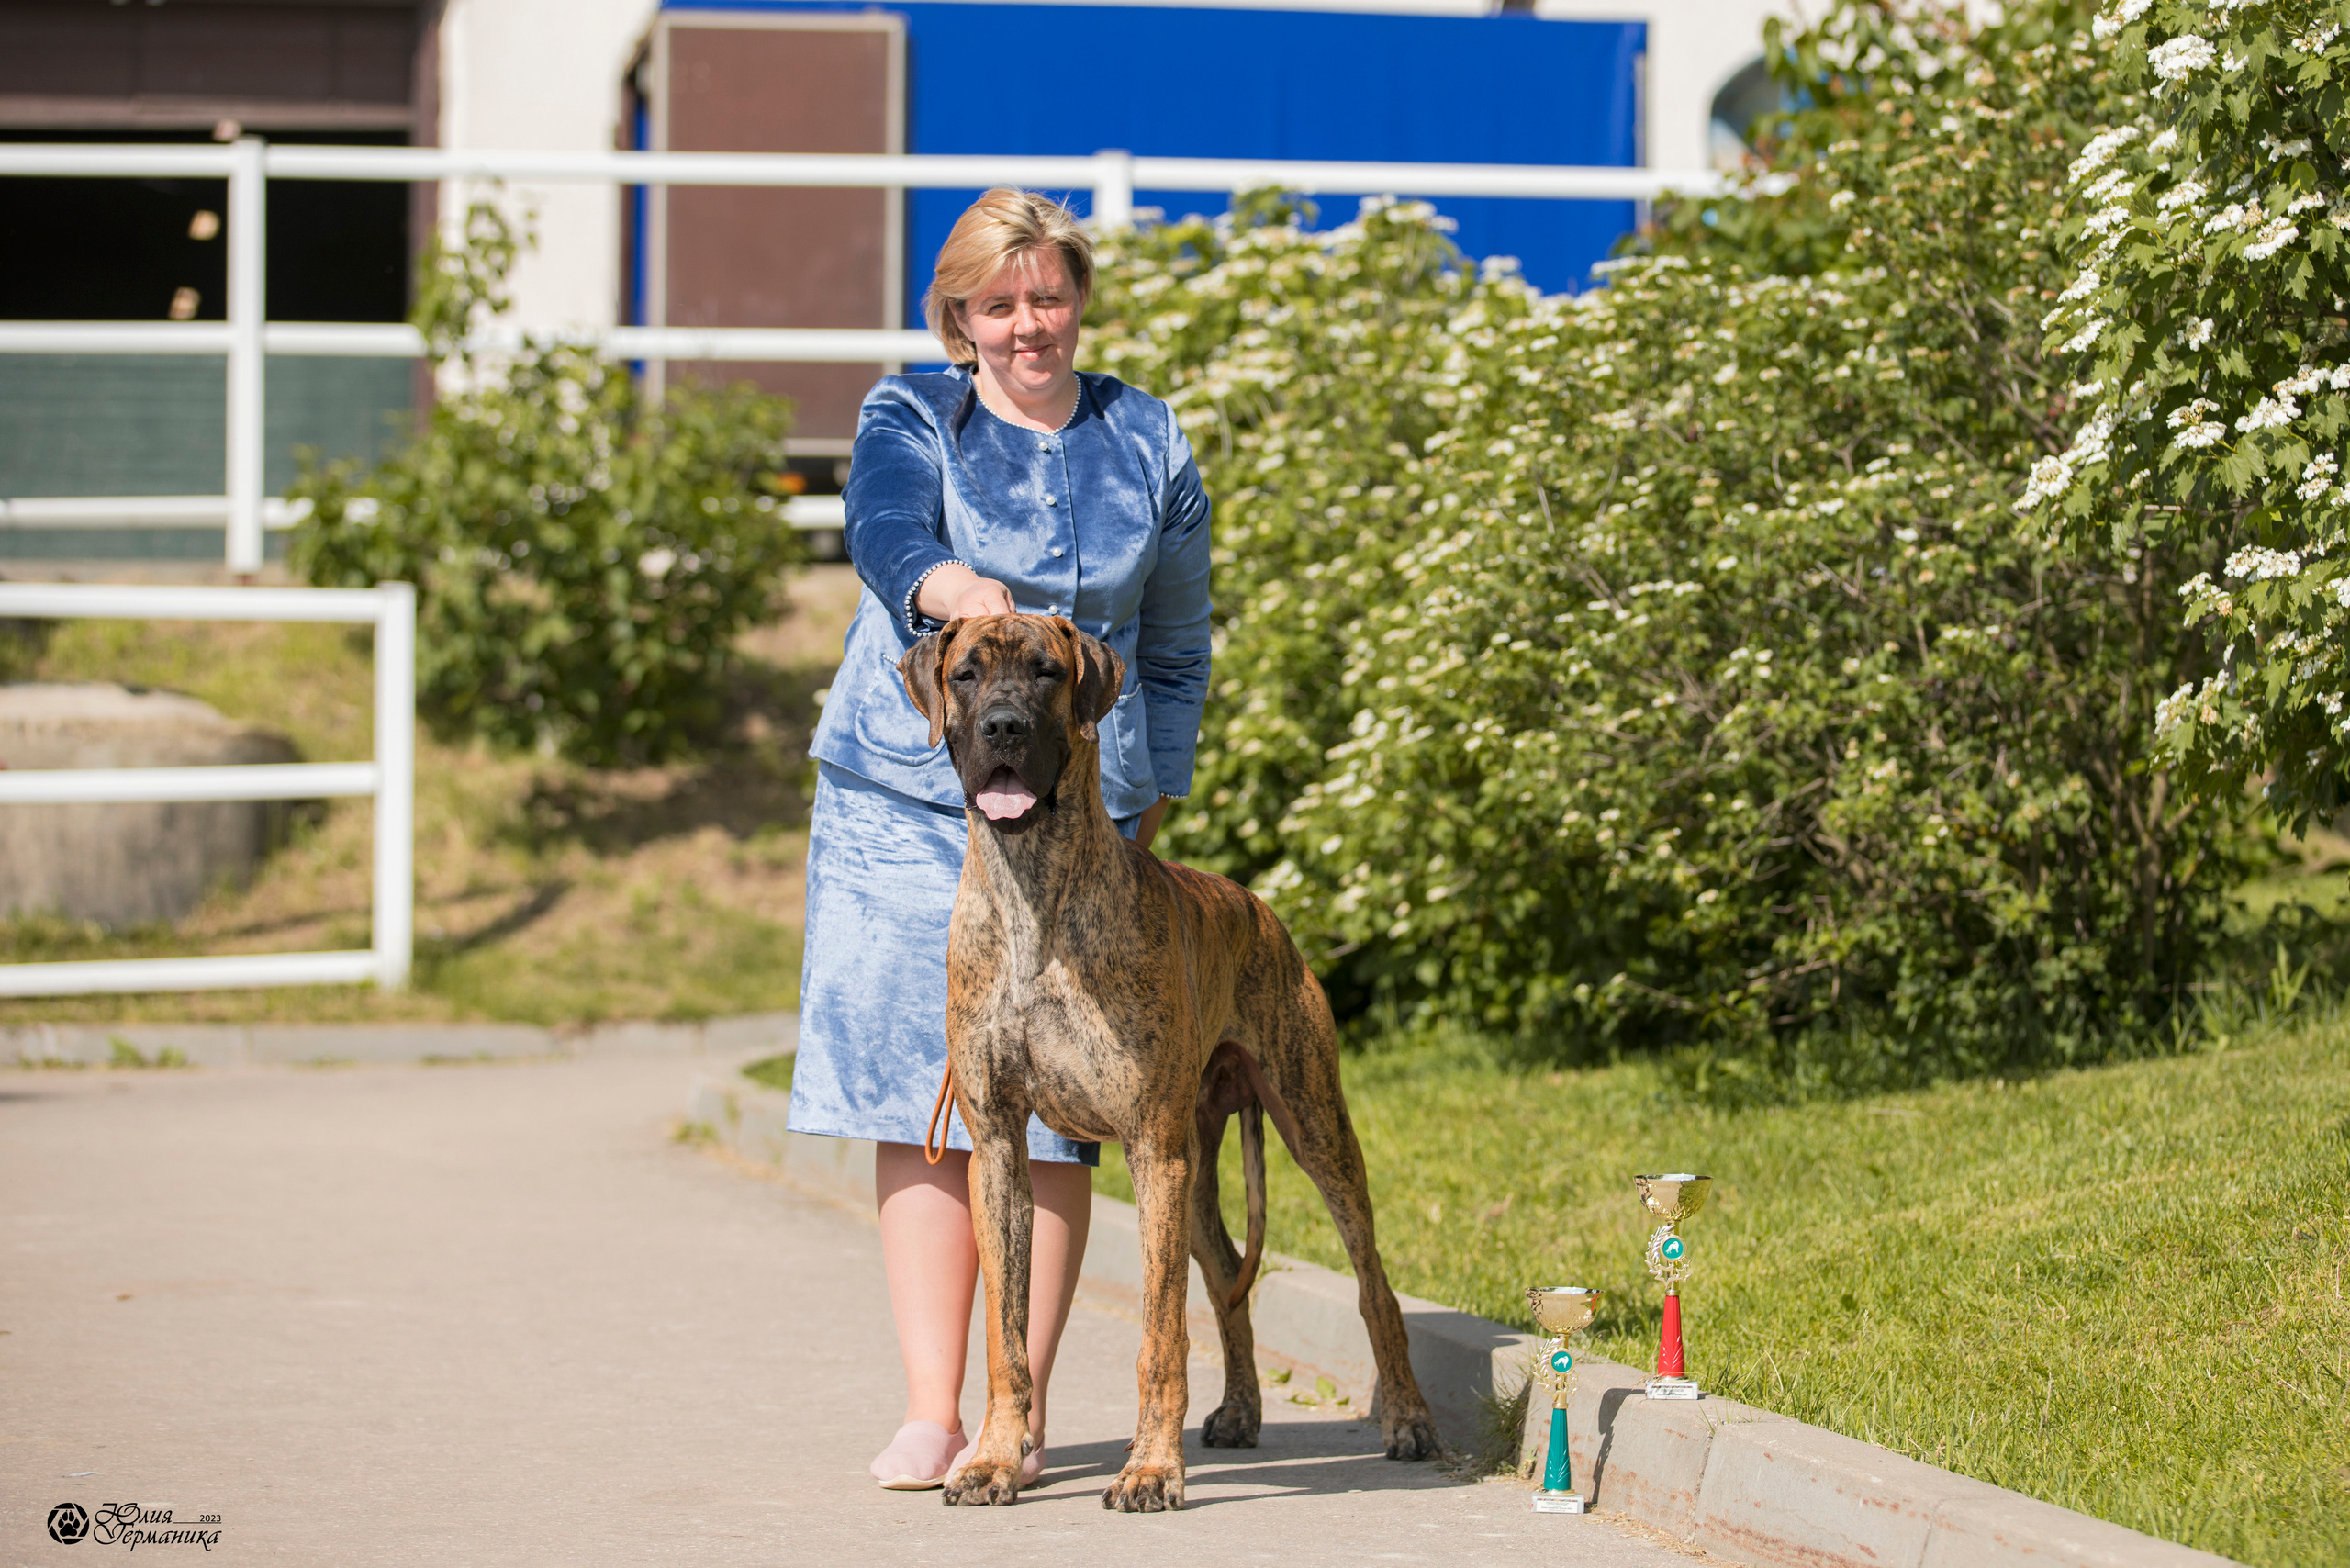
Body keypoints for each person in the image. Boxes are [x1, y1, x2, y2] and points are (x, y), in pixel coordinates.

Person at [785, 188, 1213, 1492]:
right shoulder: (915, 413)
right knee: (923, 1100)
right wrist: (949, 587)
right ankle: (933, 1407)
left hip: (1083, 819)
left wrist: (1153, 787)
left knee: (1060, 1112)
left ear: (1078, 297)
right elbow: (882, 530)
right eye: (999, 302)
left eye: (1049, 294)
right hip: (906, 803)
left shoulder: (1146, 437)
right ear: (959, 317)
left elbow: (1182, 642)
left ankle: (1008, 1420)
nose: (1029, 323)